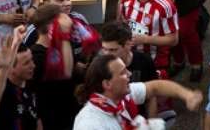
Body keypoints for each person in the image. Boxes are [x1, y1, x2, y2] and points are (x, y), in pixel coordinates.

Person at [73, 53, 202, 130]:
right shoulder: (90, 124)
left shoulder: (118, 96)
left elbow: (155, 87)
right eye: (123, 72)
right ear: (107, 84)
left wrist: (187, 95)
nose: (129, 74)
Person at [118, 0, 179, 73]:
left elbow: (173, 40)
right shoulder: (126, 0)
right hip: (132, 60)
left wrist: (145, 39)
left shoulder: (164, 7)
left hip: (156, 63)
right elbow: (124, 24)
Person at [28, 4, 80, 129]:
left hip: (70, 113)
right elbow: (66, 73)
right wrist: (64, 36)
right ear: (50, 26)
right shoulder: (36, 56)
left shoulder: (63, 46)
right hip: (52, 119)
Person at [0, 40, 38, 130]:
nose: (33, 65)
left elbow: (37, 120)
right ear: (11, 68)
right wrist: (2, 67)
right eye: (26, 63)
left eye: (32, 60)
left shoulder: (31, 84)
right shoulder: (2, 94)